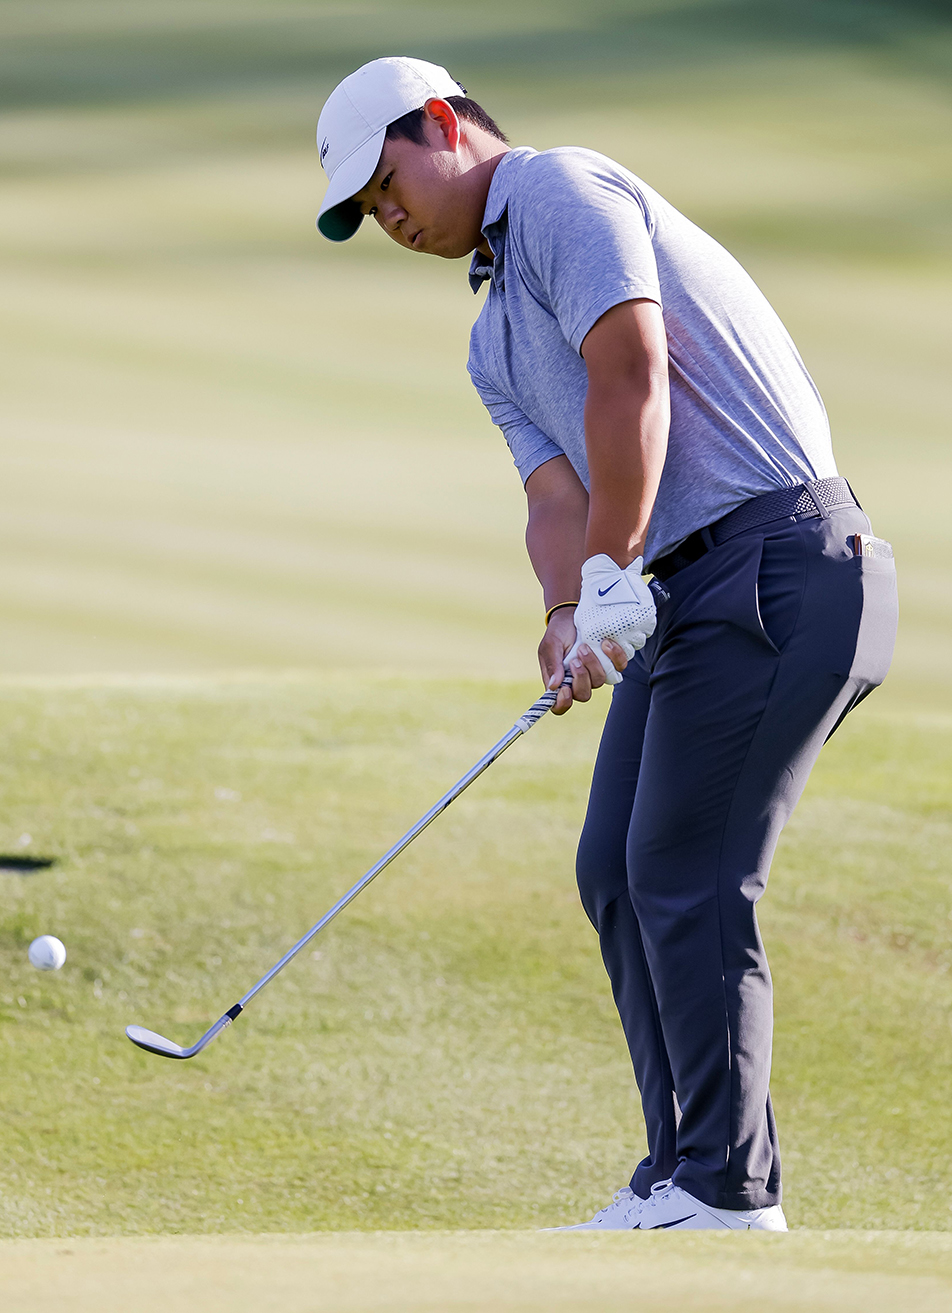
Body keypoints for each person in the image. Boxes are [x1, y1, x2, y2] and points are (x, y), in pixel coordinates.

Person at [313, 56, 898, 1231]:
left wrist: (611, 572)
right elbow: (552, 497)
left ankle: (729, 1190)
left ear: (441, 123)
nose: (391, 220)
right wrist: (566, 612)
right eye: (371, 213)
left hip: (780, 561)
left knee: (685, 870)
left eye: (388, 185)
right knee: (616, 874)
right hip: (683, 590)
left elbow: (632, 372)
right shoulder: (489, 341)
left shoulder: (565, 193)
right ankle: (679, 1170)